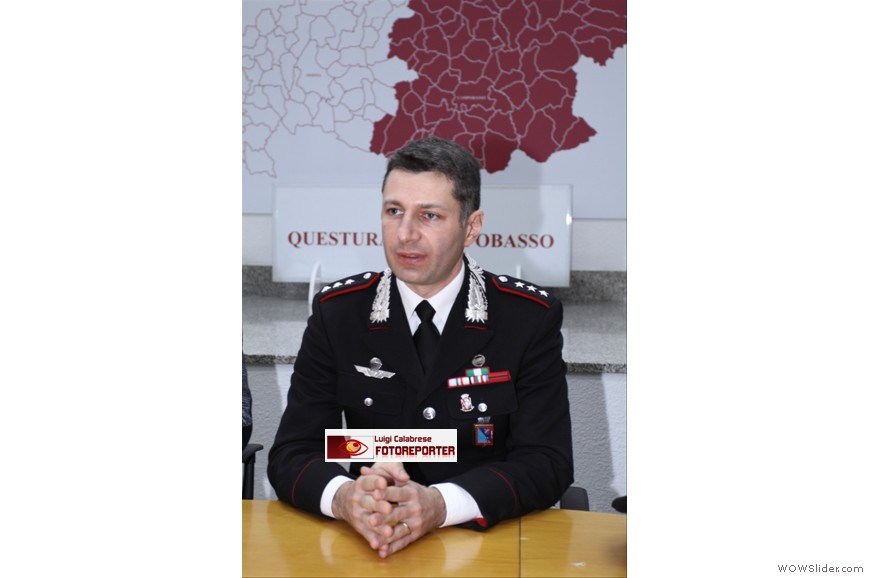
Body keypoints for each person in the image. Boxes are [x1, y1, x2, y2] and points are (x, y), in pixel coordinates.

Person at [268, 136, 573, 557]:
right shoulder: (338, 314)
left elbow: (547, 462)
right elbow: (293, 452)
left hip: (483, 546)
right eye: (394, 211)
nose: (405, 234)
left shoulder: (527, 318)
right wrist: (345, 497)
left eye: (429, 215)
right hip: (371, 538)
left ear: (471, 227)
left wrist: (440, 504)